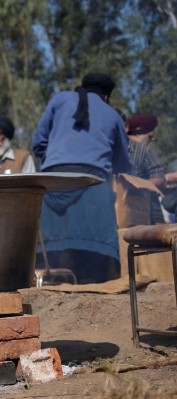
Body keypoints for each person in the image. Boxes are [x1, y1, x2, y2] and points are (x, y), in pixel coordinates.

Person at [32, 73, 131, 284]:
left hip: (52, 181)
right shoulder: (113, 115)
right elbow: (123, 165)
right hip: (94, 186)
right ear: (106, 96)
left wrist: (54, 161)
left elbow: (38, 141)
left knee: (50, 252)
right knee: (93, 263)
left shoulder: (60, 99)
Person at [125, 114, 167, 224]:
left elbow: (159, 177)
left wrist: (136, 185)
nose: (151, 142)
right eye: (150, 137)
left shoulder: (145, 151)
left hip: (146, 211)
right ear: (138, 133)